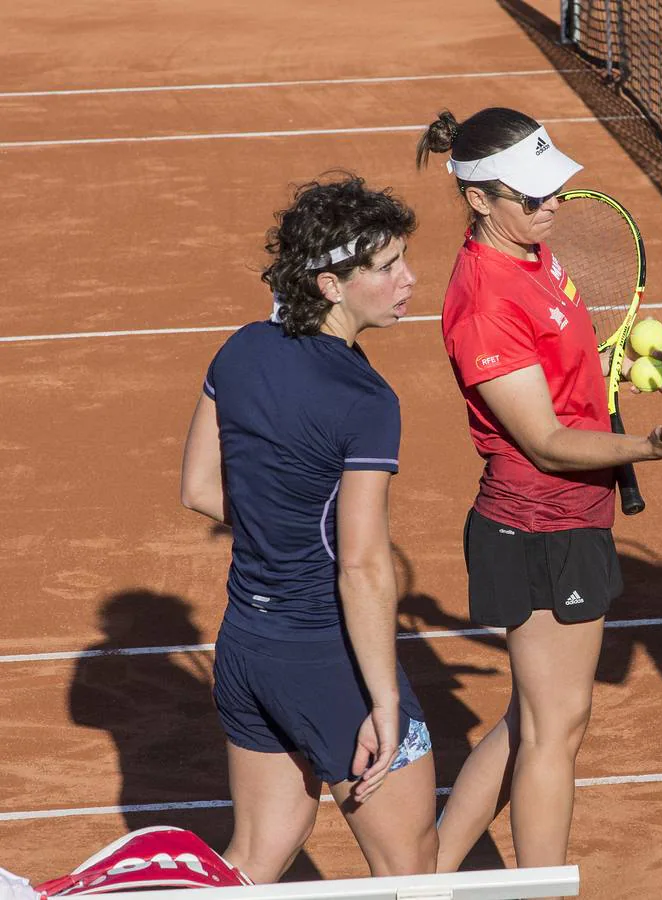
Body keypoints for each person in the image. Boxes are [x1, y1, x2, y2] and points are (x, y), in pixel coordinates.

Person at [414, 107, 662, 877]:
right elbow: (547, 442)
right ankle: (540, 891)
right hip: (537, 524)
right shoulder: (484, 295)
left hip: (570, 516)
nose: (550, 204)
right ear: (480, 200)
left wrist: (610, 372)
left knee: (538, 720)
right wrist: (650, 448)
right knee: (556, 726)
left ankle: (425, 879)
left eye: (554, 186)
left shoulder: (531, 252)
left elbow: (557, 376)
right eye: (531, 196)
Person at [179, 174, 437, 882]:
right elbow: (361, 566)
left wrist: (278, 522)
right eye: (386, 268)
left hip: (247, 651)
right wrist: (381, 701)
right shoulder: (366, 401)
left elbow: (201, 490)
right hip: (328, 663)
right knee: (412, 871)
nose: (409, 279)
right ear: (331, 285)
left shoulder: (238, 351)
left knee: (257, 857)